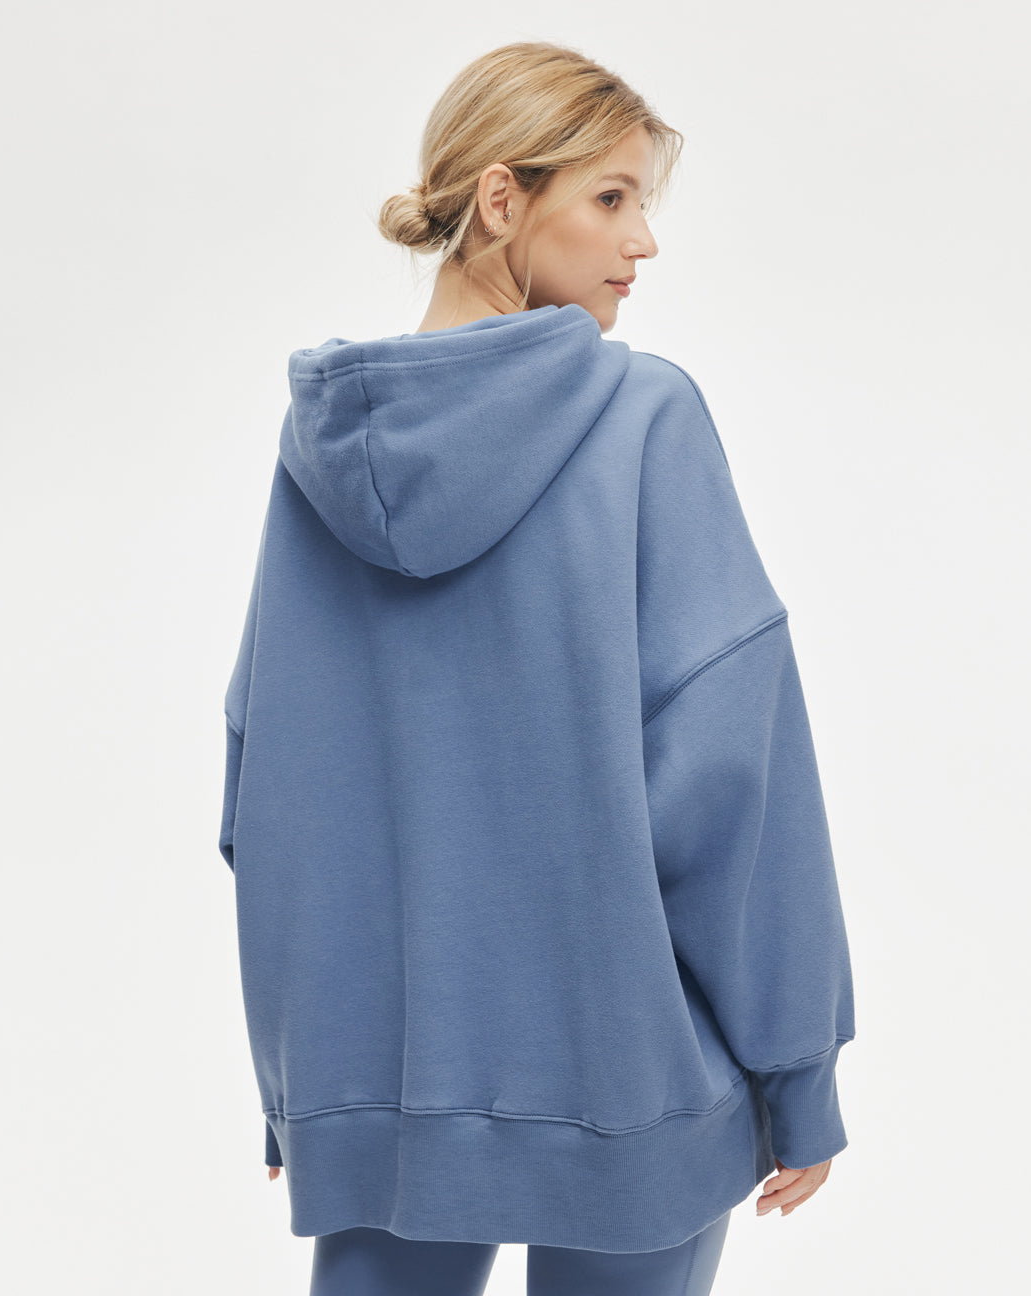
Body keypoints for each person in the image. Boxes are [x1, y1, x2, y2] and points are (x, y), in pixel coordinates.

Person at [218, 40, 856, 1296]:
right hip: (633, 1086)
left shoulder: (320, 448)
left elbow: (269, 796)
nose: (643, 242)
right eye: (611, 198)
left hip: (384, 1095)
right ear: (502, 199)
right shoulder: (643, 419)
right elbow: (734, 774)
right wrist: (800, 1070)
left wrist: (309, 1092)